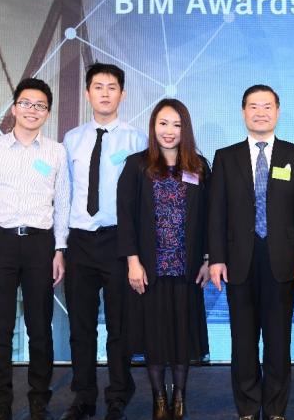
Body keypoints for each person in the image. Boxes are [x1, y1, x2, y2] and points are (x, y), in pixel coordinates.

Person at [208, 85, 294, 420]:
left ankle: (275, 409)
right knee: (242, 340)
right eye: (253, 106)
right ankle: (246, 408)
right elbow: (216, 212)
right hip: (238, 259)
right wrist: (216, 258)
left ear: (278, 111)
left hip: (281, 259)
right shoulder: (225, 157)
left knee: (278, 339)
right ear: (243, 112)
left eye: (267, 106)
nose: (260, 112)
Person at [0, 78, 70, 420]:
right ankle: (1, 400)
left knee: (39, 326)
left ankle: (39, 398)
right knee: (0, 327)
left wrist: (59, 249)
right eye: (26, 103)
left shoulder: (56, 152)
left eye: (40, 105)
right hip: (0, 243)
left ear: (47, 113)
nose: (32, 110)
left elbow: (64, 205)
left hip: (41, 244)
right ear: (14, 108)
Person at [60, 64, 145, 420]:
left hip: (117, 241)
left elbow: (142, 200)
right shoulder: (71, 139)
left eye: (112, 87)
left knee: (118, 326)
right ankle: (83, 395)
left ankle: (118, 393)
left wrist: (135, 254)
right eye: (98, 86)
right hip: (79, 242)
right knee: (80, 325)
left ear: (122, 94)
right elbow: (64, 194)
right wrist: (60, 246)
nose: (105, 93)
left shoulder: (136, 139)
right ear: (87, 93)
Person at [117, 99, 211, 420]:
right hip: (150, 268)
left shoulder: (199, 166)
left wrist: (208, 259)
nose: (169, 131)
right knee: (155, 336)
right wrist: (132, 261)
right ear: (153, 126)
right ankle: (159, 399)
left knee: (182, 336)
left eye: (176, 125)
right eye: (163, 124)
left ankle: (180, 397)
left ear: (185, 129)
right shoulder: (136, 166)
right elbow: (126, 217)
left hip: (187, 268)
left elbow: (211, 218)